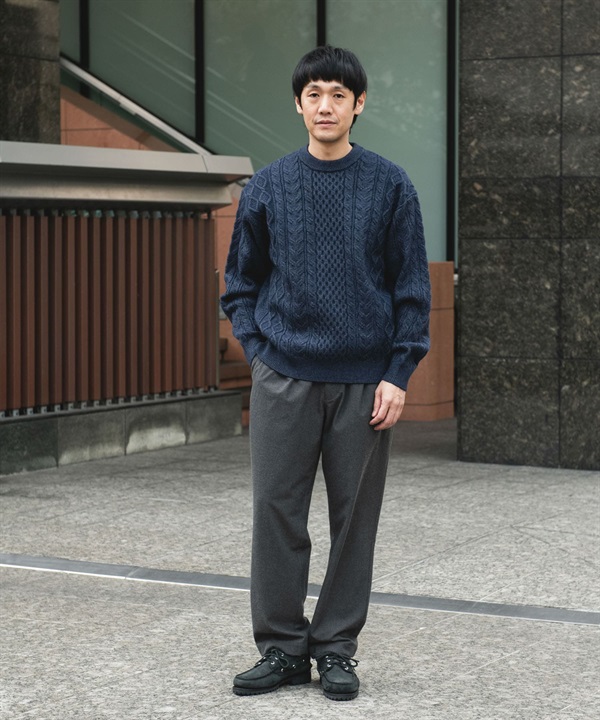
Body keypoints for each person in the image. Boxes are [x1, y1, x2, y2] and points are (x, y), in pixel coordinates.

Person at [221, 45, 431, 701]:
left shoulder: (390, 185)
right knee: (275, 513)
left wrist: (398, 372)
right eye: (314, 93)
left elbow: (411, 289)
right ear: (298, 104)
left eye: (339, 94)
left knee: (354, 521)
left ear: (359, 104)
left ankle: (336, 648)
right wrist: (260, 353)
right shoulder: (269, 187)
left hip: (365, 382)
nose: (326, 105)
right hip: (283, 375)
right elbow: (240, 284)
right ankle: (282, 649)